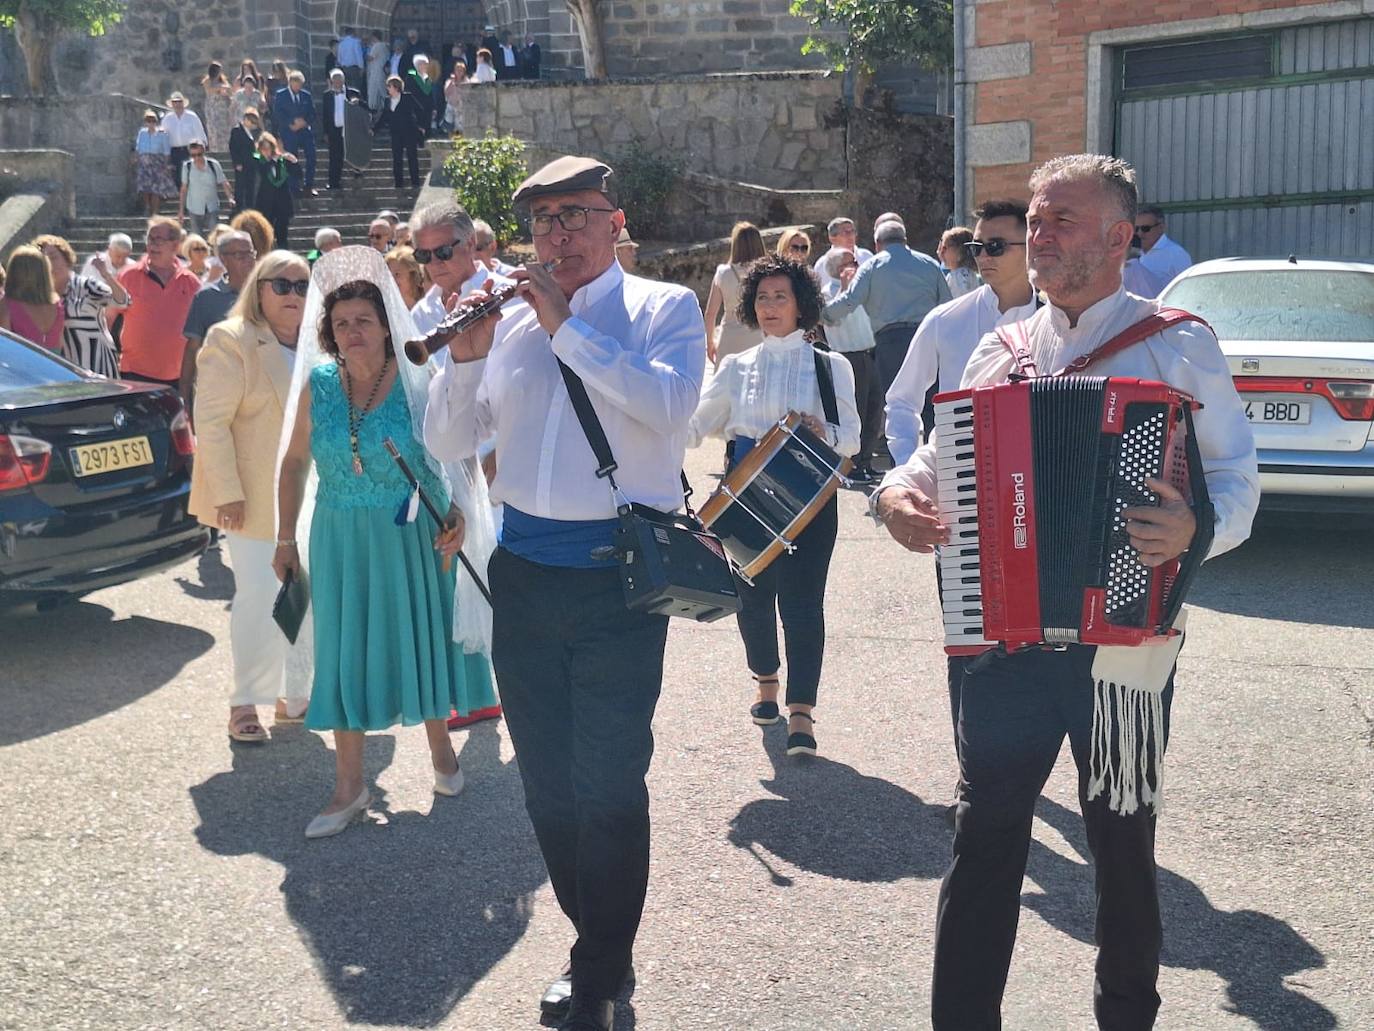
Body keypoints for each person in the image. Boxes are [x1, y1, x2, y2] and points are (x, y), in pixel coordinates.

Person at [872, 153, 1259, 1031]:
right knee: (983, 841)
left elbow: (1236, 477)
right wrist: (895, 494)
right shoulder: (997, 346)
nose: (1036, 238)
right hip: (1003, 641)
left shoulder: (1177, 341)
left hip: (1125, 647)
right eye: (1034, 222)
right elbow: (941, 455)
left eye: (1061, 222)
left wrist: (1197, 528)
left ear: (1121, 239)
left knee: (1121, 845)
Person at [422, 156, 706, 1031]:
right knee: (546, 784)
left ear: (615, 220)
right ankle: (600, 948)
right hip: (526, 573)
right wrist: (464, 362)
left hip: (620, 581)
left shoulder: (665, 309)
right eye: (544, 220)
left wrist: (565, 324)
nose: (560, 234)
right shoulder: (500, 325)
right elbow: (448, 438)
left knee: (611, 782)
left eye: (578, 215)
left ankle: (596, 979)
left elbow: (668, 408)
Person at [274, 248, 497, 838]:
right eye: (341, 323)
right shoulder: (318, 386)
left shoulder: (416, 378)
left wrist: (458, 514)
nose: (352, 332)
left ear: (386, 326)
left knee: (417, 640)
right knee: (345, 651)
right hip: (339, 535)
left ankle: (443, 756)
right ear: (329, 330)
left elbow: (454, 453)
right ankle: (349, 786)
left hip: (410, 534)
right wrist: (283, 538)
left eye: (363, 322)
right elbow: (295, 463)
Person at [689, 255, 859, 757]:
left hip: (809, 504)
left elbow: (851, 439)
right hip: (745, 502)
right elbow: (696, 424)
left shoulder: (833, 367)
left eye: (781, 296)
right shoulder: (736, 367)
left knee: (804, 605)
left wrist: (821, 430)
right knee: (753, 602)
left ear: (801, 304)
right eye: (762, 297)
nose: (770, 306)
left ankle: (801, 712)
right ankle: (766, 680)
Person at [189, 249, 313, 743]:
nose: (293, 295)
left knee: (306, 597)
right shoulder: (230, 339)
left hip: (311, 496)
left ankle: (293, 693)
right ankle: (245, 702)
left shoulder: (317, 345)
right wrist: (227, 493)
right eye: (281, 285)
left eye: (303, 286)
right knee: (259, 598)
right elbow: (212, 423)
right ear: (258, 290)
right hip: (250, 497)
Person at [885, 199, 1038, 466]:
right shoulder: (944, 320)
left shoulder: (1059, 322)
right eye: (976, 248)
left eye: (996, 247)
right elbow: (902, 400)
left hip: (1040, 476)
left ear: (1030, 247)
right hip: (961, 478)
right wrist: (907, 468)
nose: (983, 257)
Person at [821, 219, 951, 401]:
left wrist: (824, 315)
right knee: (929, 400)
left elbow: (850, 300)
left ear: (877, 244)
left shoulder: (870, 267)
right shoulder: (929, 263)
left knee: (897, 401)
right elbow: (947, 305)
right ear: (905, 241)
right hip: (927, 337)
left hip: (891, 341)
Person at [117, 217, 203, 389]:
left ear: (175, 245)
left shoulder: (191, 282)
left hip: (179, 377)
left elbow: (200, 327)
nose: (153, 245)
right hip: (134, 374)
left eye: (159, 240)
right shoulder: (128, 276)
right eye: (150, 239)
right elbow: (109, 320)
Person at [819, 248, 879, 482]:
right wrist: (844, 290)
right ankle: (851, 466)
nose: (855, 264)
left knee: (874, 409)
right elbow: (835, 320)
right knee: (857, 412)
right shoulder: (827, 293)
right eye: (849, 262)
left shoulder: (861, 290)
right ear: (835, 269)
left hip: (869, 353)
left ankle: (865, 462)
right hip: (848, 356)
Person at [180, 230, 257, 405]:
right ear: (223, 259)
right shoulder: (206, 298)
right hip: (220, 396)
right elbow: (192, 348)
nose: (248, 260)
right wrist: (184, 396)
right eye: (239, 255)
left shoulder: (269, 293)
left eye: (250, 253)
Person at [37, 234, 126, 378]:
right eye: (44, 260)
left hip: (98, 365)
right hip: (65, 370)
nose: (49, 263)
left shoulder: (86, 286)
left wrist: (106, 274)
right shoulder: (40, 295)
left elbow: (122, 301)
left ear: (66, 259)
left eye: (53, 257)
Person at [703, 221, 765, 368]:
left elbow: (710, 313)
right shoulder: (766, 273)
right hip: (758, 336)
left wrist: (710, 342)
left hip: (730, 337)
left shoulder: (723, 273)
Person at [0, 246, 63, 352]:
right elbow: (59, 344)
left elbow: (3, 348)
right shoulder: (57, 305)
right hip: (52, 366)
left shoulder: (7, 305)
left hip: (20, 365)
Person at [371, 75, 424, 189]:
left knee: (412, 157)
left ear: (396, 87)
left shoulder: (407, 97)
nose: (388, 89)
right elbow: (383, 118)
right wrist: (374, 129)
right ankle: (398, 183)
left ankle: (415, 182)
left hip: (409, 132)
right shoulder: (387, 101)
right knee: (397, 158)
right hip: (395, 133)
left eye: (389, 86)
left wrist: (420, 125)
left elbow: (419, 110)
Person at [272, 71, 317, 197]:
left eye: (300, 85)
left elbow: (313, 113)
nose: (298, 87)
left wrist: (304, 122)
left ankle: (309, 186)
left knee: (311, 156)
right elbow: (278, 113)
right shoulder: (281, 95)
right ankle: (294, 187)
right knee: (291, 158)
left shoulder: (306, 96)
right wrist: (290, 123)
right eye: (296, 84)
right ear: (290, 82)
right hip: (289, 132)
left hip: (304, 131)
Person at [250, 132, 298, 249]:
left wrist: (294, 162)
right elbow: (263, 171)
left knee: (282, 233)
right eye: (263, 148)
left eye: (269, 148)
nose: (266, 151)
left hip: (282, 202)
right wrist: (273, 160)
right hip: (265, 203)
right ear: (259, 149)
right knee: (266, 233)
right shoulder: (257, 160)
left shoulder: (281, 161)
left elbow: (297, 175)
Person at [178, 140, 234, 236]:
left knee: (215, 236)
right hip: (194, 207)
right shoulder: (187, 166)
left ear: (204, 152)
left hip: (211, 206)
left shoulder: (213, 165)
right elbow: (184, 189)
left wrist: (230, 198)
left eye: (199, 154)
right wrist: (181, 211)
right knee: (196, 237)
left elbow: (224, 182)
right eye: (193, 155)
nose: (196, 158)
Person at [1134, 204, 1191, 294]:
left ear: (1161, 227)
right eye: (1136, 229)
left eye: (1145, 228)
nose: (1139, 233)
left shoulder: (1176, 254)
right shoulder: (1131, 253)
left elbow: (1187, 289)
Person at [320, 69, 362, 192]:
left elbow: (362, 110)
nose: (337, 81)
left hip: (350, 129)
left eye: (340, 79)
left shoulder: (354, 93)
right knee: (334, 157)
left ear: (343, 80)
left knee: (354, 154)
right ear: (331, 81)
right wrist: (325, 132)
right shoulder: (327, 95)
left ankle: (358, 177)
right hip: (334, 130)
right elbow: (325, 115)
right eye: (335, 79)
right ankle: (333, 183)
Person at [131, 109, 177, 217]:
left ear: (156, 122)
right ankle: (147, 207)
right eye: (148, 121)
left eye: (152, 120)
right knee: (144, 187)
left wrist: (166, 164)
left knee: (156, 188)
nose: (150, 123)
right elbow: (139, 147)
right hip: (144, 162)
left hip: (157, 162)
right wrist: (135, 158)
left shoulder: (162, 134)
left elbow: (166, 150)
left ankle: (155, 211)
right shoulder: (142, 133)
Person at [812, 216, 873, 292]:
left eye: (853, 231)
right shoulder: (822, 264)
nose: (851, 236)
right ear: (832, 238)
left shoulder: (867, 256)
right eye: (846, 232)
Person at [161, 93, 208, 179]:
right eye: (175, 102)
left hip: (190, 150)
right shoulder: (167, 118)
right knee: (177, 177)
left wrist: (201, 150)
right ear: (172, 104)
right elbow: (163, 136)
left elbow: (200, 133)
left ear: (183, 103)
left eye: (179, 102)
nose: (177, 104)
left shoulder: (192, 117)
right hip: (174, 151)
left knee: (192, 175)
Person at [229, 108, 261, 212]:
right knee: (240, 187)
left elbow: (254, 150)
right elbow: (233, 148)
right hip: (241, 165)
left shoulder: (252, 133)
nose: (253, 124)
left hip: (251, 165)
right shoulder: (237, 130)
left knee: (250, 187)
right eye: (251, 122)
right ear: (246, 119)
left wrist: (258, 160)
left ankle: (250, 207)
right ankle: (238, 208)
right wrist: (237, 162)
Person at [938, 226, 980, 298]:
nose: (941, 252)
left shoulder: (961, 277)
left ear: (959, 250)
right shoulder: (957, 274)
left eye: (945, 248)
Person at [201, 61, 234, 152]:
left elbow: (231, 92)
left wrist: (226, 92)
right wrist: (220, 88)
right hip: (212, 109)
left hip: (222, 110)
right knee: (214, 131)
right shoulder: (207, 81)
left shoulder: (223, 81)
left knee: (224, 133)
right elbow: (209, 91)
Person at [404, 54, 439, 136]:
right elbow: (409, 92)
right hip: (416, 108)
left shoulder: (427, 78)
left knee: (427, 130)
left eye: (426, 64)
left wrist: (434, 107)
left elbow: (430, 94)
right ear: (418, 65)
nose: (426, 66)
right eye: (424, 64)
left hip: (427, 109)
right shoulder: (411, 76)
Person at [337, 26, 366, 95]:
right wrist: (361, 67)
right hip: (354, 69)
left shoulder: (341, 44)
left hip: (344, 68)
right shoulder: (355, 42)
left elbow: (339, 58)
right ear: (352, 33)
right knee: (355, 88)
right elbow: (358, 55)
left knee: (346, 89)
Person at [366, 30, 390, 110]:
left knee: (373, 93)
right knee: (382, 92)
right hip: (381, 72)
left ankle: (372, 109)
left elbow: (370, 57)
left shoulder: (377, 46)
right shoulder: (385, 46)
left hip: (376, 72)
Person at [443, 61, 467, 133]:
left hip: (461, 107)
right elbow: (446, 92)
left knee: (459, 128)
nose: (459, 72)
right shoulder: (449, 81)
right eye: (457, 70)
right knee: (449, 125)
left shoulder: (466, 82)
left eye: (461, 70)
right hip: (451, 106)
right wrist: (452, 82)